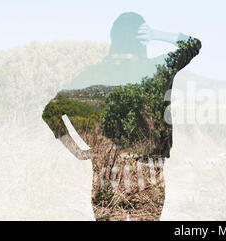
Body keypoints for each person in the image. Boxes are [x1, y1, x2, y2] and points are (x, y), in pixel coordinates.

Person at [42, 12, 201, 220]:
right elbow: (193, 44)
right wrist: (156, 34)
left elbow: (51, 112)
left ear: (114, 40)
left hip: (106, 176)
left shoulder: (93, 75)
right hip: (148, 178)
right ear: (141, 40)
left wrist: (78, 151)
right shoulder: (158, 68)